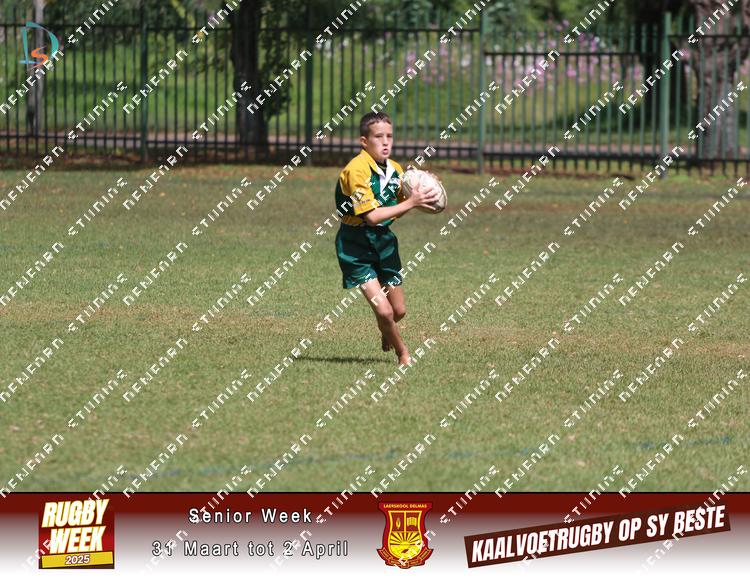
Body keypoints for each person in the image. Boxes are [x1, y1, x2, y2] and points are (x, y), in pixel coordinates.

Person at [334, 112, 440, 365]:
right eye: (378, 136)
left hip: (384, 243)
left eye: (389, 136)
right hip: (355, 245)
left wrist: (424, 193)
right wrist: (411, 202)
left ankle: (387, 329)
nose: (385, 142)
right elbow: (371, 216)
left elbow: (396, 210)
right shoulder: (356, 171)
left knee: (398, 311)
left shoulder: (396, 170)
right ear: (364, 141)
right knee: (384, 311)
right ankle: (403, 353)